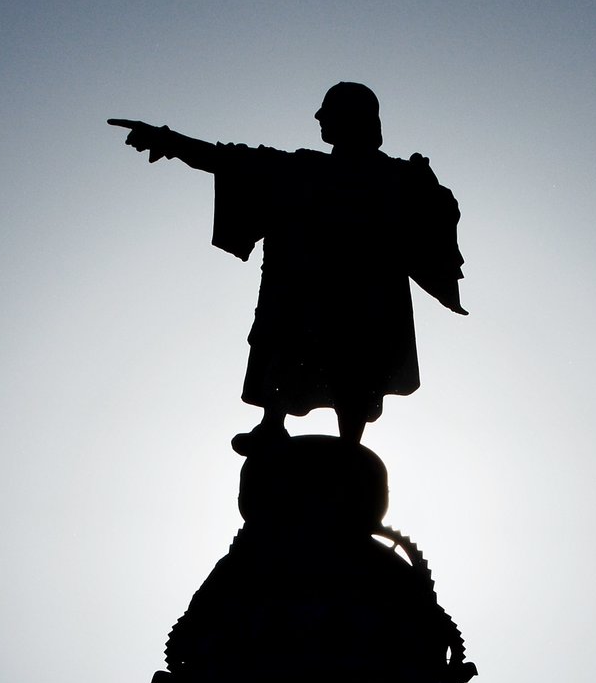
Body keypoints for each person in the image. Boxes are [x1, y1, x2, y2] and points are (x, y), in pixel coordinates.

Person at [110, 83, 465, 451]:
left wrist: (430, 189)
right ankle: (272, 424)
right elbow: (231, 160)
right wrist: (169, 142)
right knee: (284, 346)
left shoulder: (396, 176)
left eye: (327, 110)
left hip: (362, 299)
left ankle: (348, 446)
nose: (318, 117)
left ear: (351, 118)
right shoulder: (305, 168)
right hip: (299, 293)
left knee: (356, 363)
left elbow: (439, 214)